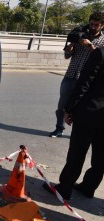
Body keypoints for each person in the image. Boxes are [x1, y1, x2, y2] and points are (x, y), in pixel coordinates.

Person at [43, 47, 104, 200]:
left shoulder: (100, 52)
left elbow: (85, 81)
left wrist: (69, 108)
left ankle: (65, 187)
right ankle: (89, 187)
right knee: (101, 156)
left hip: (89, 112)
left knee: (77, 152)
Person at [49, 12, 104, 138]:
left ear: (102, 26)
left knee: (83, 108)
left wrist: (90, 45)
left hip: (88, 81)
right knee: (62, 106)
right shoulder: (80, 34)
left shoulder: (102, 41)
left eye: (96, 25)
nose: (93, 27)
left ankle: (79, 133)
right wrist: (73, 43)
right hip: (70, 75)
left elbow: (99, 59)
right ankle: (59, 128)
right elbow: (67, 55)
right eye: (91, 24)